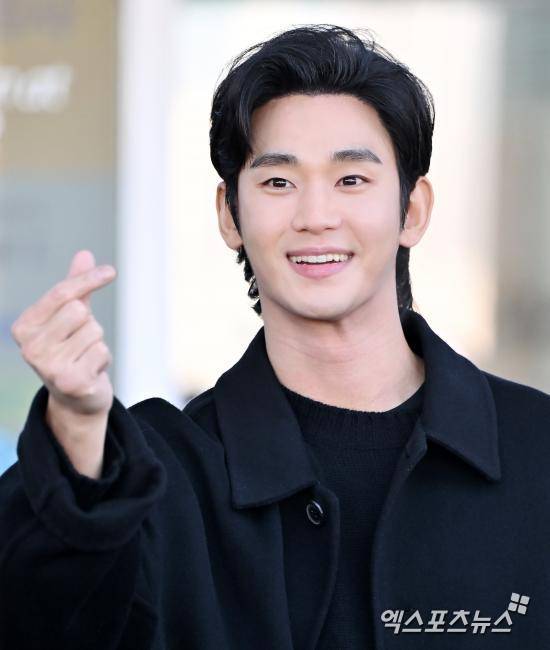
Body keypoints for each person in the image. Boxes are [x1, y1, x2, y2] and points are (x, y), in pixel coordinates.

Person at [1, 23, 549, 650]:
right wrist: (76, 432)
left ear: (413, 210)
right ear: (229, 215)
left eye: (351, 179)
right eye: (278, 182)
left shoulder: (536, 449)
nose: (315, 217)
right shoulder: (162, 471)